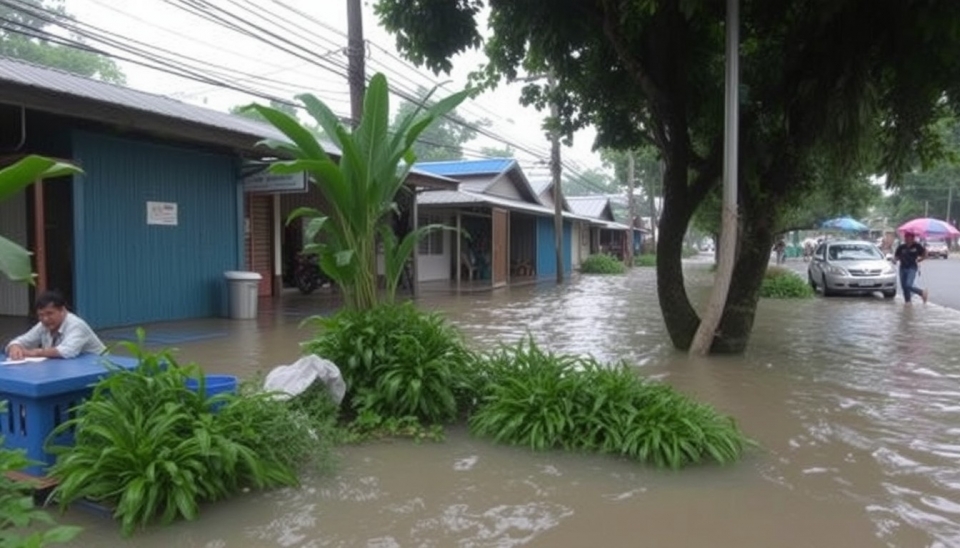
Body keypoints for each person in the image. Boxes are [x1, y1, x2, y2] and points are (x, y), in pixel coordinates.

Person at [4, 290, 106, 360]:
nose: (45, 319)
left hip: (100, 367)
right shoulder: (43, 325)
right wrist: (15, 347)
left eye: (50, 313)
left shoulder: (76, 325)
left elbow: (68, 351)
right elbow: (22, 340)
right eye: (41, 315)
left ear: (62, 310)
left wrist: (35, 352)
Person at [893, 231, 928, 304]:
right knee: (904, 287)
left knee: (908, 284)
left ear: (913, 238)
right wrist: (895, 260)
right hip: (902, 268)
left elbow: (924, 254)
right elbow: (897, 256)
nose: (907, 239)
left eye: (909, 238)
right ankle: (908, 302)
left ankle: (921, 292)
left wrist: (921, 259)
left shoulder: (917, 246)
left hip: (912, 267)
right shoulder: (901, 247)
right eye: (906, 238)